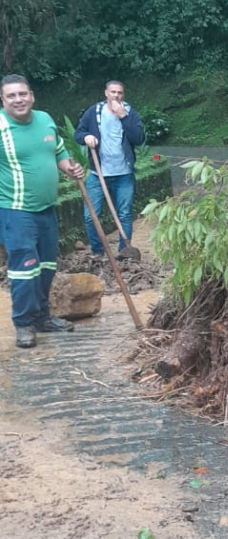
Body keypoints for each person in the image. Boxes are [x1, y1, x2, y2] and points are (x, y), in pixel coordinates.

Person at [0, 74, 85, 348]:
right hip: (16, 211)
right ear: (3, 100)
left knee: (47, 266)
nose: (18, 99)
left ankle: (41, 317)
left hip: (47, 209)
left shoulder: (45, 119)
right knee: (25, 269)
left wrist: (70, 167)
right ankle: (24, 324)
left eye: (22, 94)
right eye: (11, 96)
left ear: (32, 95)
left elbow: (58, 151)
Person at [74, 80, 145, 257]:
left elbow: (138, 138)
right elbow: (78, 133)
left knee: (125, 214)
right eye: (113, 92)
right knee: (91, 216)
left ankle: (124, 252)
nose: (116, 95)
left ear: (123, 95)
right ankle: (98, 252)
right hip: (98, 174)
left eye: (120, 93)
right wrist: (86, 137)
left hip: (124, 175)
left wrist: (124, 117)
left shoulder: (130, 113)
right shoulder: (94, 112)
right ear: (106, 93)